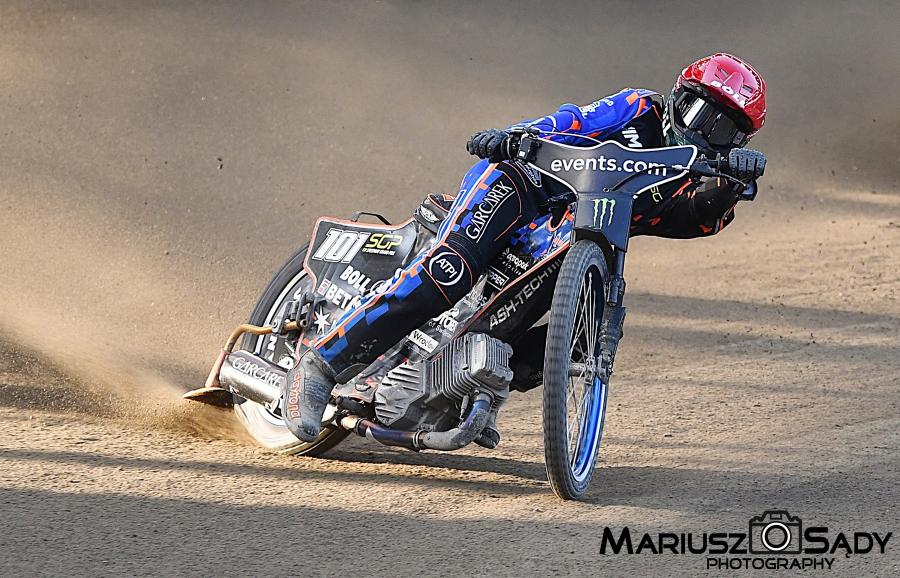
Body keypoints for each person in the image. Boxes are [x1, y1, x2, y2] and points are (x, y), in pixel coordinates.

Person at [282, 52, 769, 442]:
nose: (705, 132)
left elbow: (700, 217)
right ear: (678, 96)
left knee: (580, 336)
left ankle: (464, 389)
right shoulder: (641, 107)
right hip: (523, 185)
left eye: (725, 130)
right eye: (700, 112)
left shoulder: (693, 181)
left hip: (567, 242)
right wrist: (518, 136)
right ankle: (321, 364)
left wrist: (731, 183)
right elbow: (574, 120)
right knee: (450, 270)